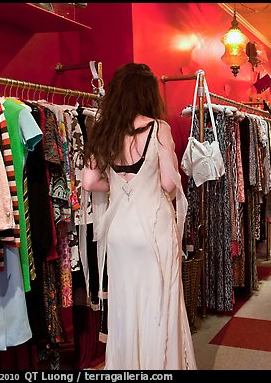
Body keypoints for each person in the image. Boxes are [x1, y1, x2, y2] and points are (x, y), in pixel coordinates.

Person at [82, 63, 197, 369]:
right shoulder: (158, 129)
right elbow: (170, 184)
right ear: (148, 93)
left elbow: (89, 182)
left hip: (119, 232)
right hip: (153, 228)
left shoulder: (104, 129)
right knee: (160, 306)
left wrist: (118, 184)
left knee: (125, 307)